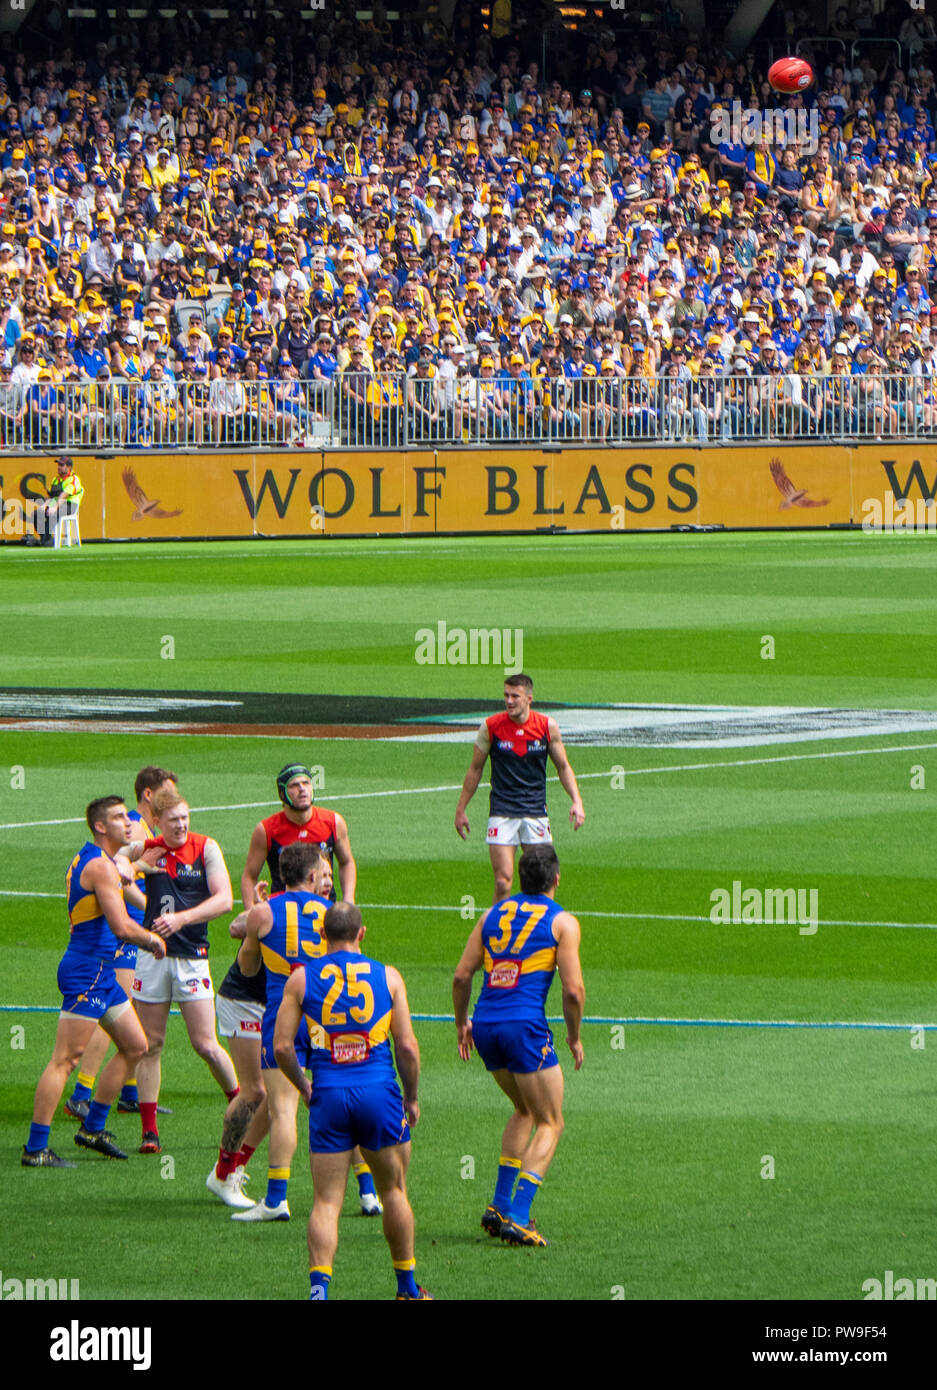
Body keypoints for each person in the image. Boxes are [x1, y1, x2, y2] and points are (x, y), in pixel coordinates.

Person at [274, 902, 431, 1300]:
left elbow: (280, 1048)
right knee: (393, 1191)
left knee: (326, 1200)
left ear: (322, 935)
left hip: (328, 1095)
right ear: (362, 933)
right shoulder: (389, 977)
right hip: (380, 1094)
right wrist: (411, 1098)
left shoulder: (300, 980)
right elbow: (408, 1048)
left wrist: (305, 1086)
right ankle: (407, 1289)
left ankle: (319, 1292)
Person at [21, 796, 167, 1167]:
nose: (128, 822)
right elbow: (121, 926)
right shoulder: (100, 868)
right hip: (86, 970)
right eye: (119, 818)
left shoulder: (98, 861)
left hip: (101, 972)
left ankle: (92, 1128)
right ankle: (35, 1148)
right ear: (101, 827)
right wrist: (152, 939)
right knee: (65, 1060)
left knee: (136, 1046)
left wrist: (134, 865)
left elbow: (123, 879)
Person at [452, 843, 585, 1245]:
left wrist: (463, 1024)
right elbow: (574, 990)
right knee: (551, 1121)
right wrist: (574, 1036)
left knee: (523, 1109)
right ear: (556, 880)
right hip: (524, 1026)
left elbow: (461, 976)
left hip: (487, 1025)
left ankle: (497, 1205)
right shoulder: (562, 922)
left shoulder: (491, 915)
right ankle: (519, 1214)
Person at [120, 788, 237, 1154]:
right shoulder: (151, 849)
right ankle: (150, 1132)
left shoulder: (205, 848)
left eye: (185, 818)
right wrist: (137, 866)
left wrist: (181, 919)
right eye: (173, 820)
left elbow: (224, 900)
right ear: (157, 822)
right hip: (153, 959)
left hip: (192, 957)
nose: (181, 825)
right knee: (150, 1044)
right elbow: (115, 867)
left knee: (205, 1044)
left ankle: (241, 1102)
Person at [65, 765, 179, 1121]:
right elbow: (119, 879)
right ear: (148, 795)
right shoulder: (130, 829)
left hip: (129, 929)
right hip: (122, 934)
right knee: (112, 1007)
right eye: (167, 794)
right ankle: (83, 1092)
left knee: (125, 1010)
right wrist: (152, 919)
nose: (173, 802)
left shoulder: (144, 829)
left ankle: (129, 1091)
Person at [454, 673, 585, 901]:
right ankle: (500, 932)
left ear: (529, 699)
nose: (509, 701)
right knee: (503, 881)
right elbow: (475, 769)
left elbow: (563, 766)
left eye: (515, 696)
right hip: (502, 811)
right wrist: (461, 809)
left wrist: (577, 800)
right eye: (506, 695)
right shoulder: (491, 727)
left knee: (543, 879)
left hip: (535, 812)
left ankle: (541, 929)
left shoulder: (546, 726)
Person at [241, 763, 356, 905]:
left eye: (306, 783)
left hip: (324, 907)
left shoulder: (333, 822)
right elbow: (249, 875)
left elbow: (347, 862)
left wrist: (349, 900)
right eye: (294, 785)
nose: (302, 789)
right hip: (283, 910)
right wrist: (250, 912)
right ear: (282, 793)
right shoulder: (267, 830)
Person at [26, 455, 83, 547]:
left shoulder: (74, 479)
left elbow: (63, 496)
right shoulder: (55, 480)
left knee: (53, 513)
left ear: (69, 467)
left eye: (61, 465)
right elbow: (51, 497)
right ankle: (45, 539)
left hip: (70, 505)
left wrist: (54, 507)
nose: (59, 467)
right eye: (58, 465)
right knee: (37, 513)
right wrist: (44, 506)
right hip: (57, 503)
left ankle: (45, 541)